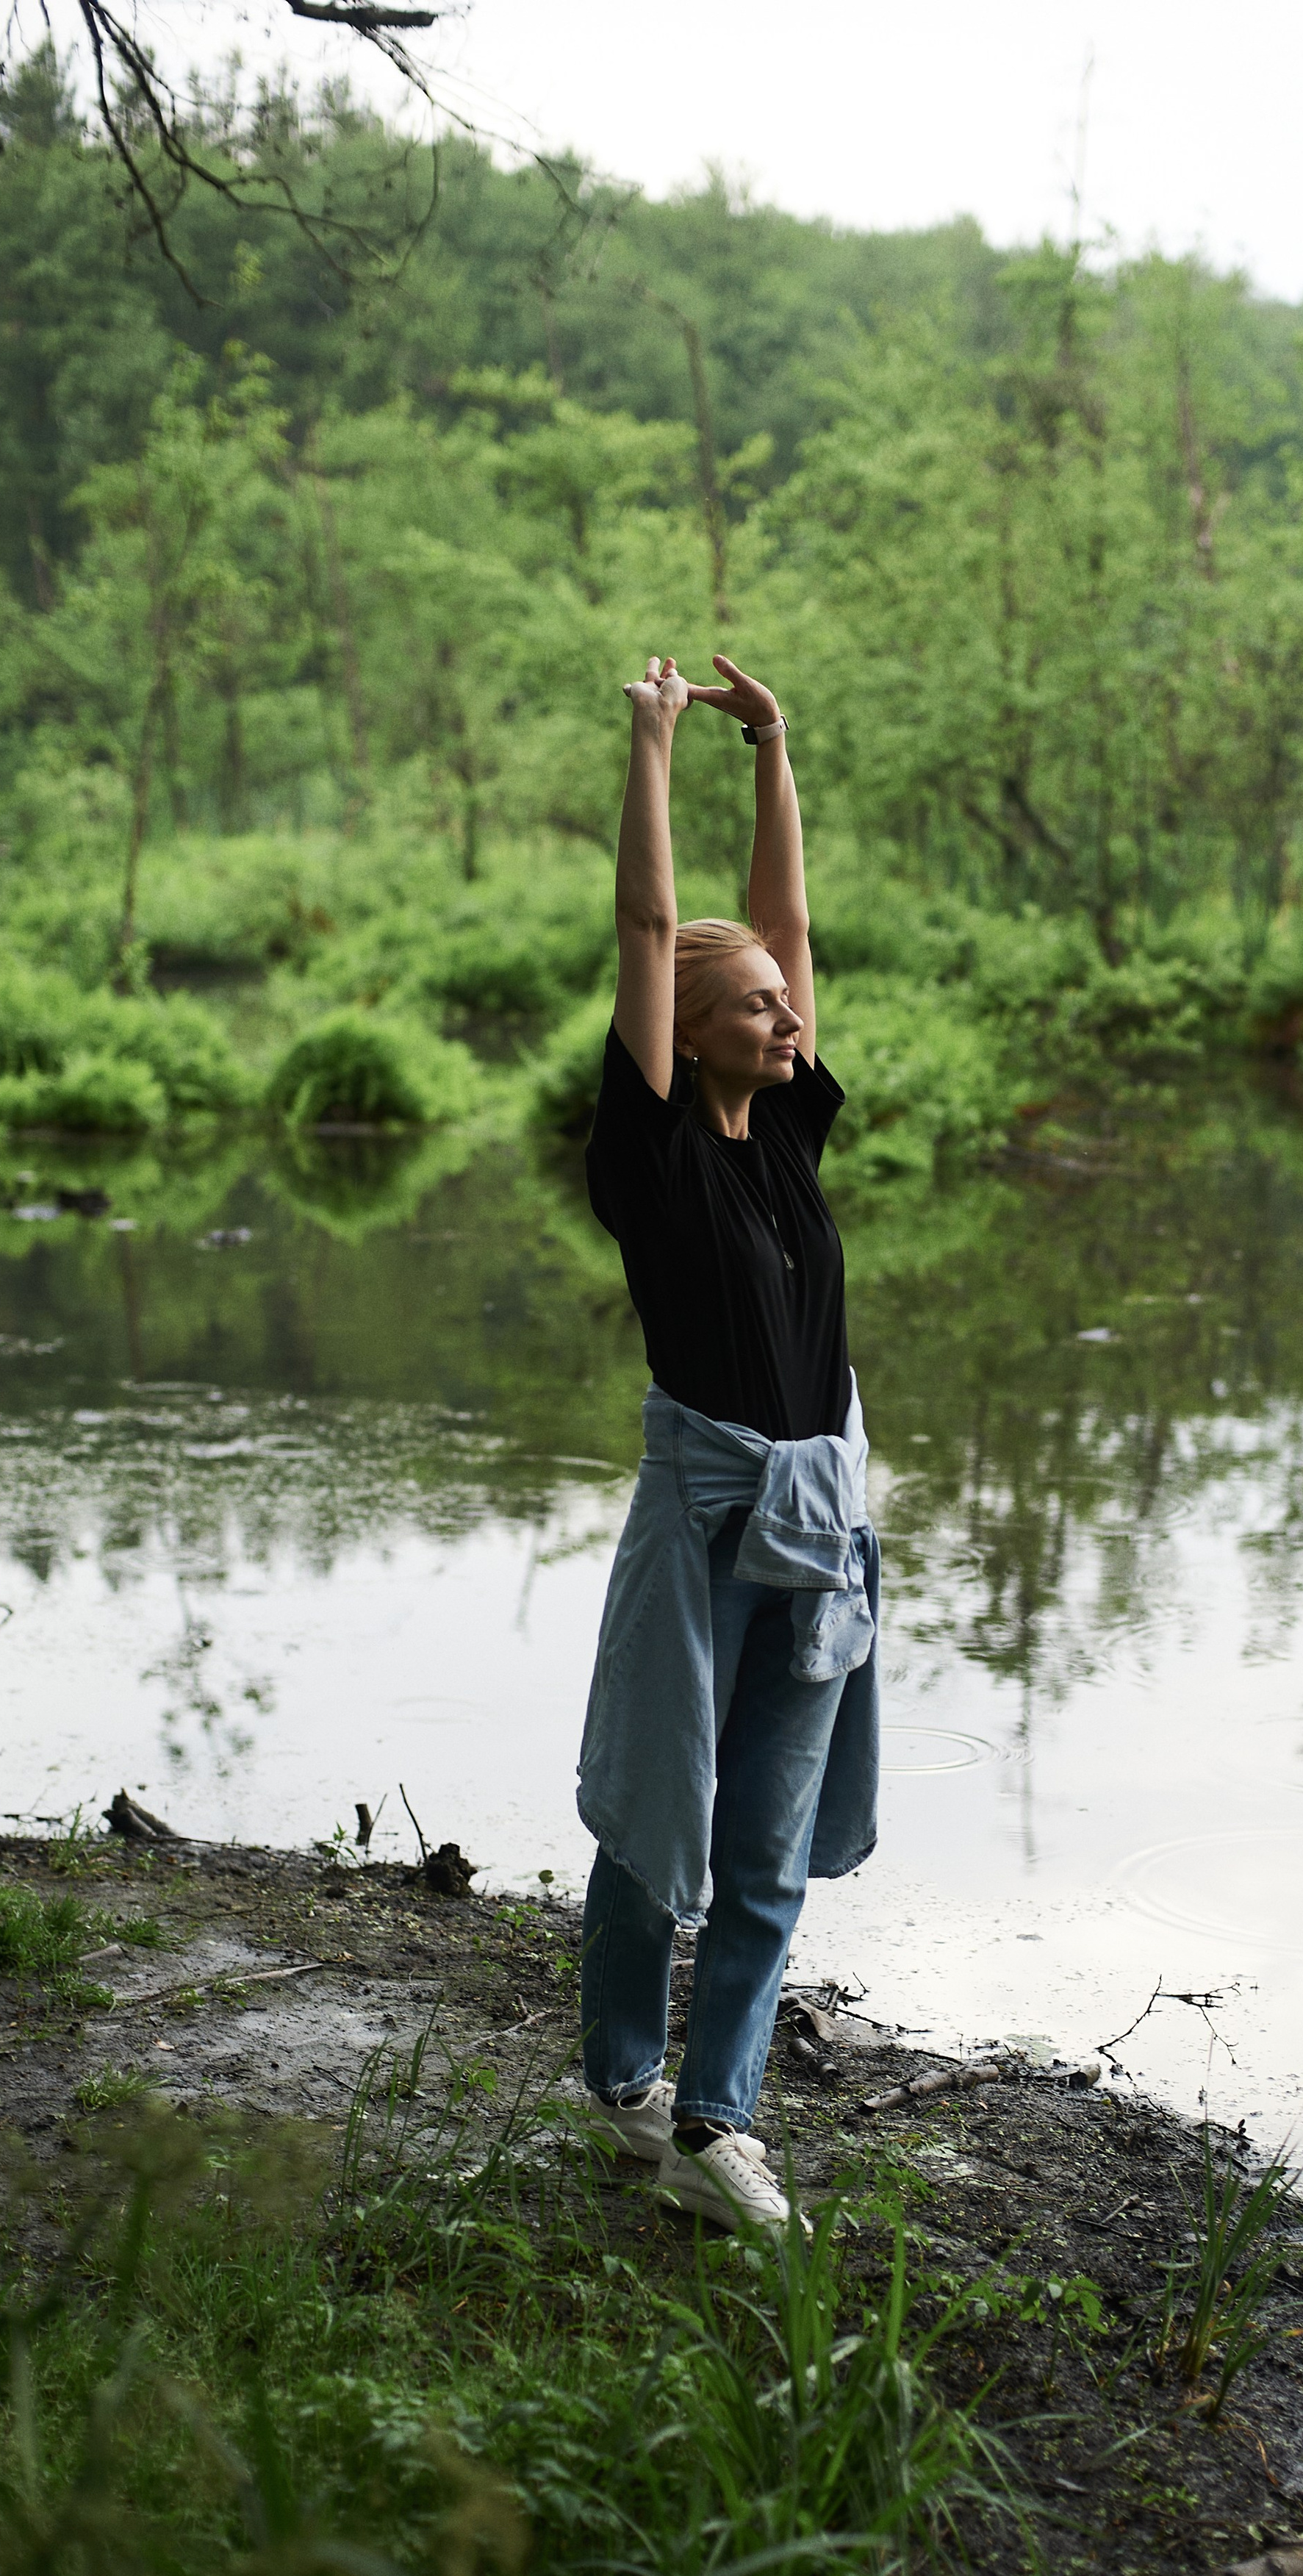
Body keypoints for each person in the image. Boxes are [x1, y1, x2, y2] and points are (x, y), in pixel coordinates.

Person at [573, 652, 880, 2235]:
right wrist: (649, 743)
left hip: (814, 1517)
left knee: (764, 1840)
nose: (787, 1014)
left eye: (782, 1002)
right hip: (702, 1526)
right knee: (657, 1815)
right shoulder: (651, 1159)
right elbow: (643, 930)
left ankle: (715, 2122)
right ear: (689, 1037)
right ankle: (624, 2079)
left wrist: (770, 748)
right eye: (755, 1005)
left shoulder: (790, 1137)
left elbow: (792, 929)